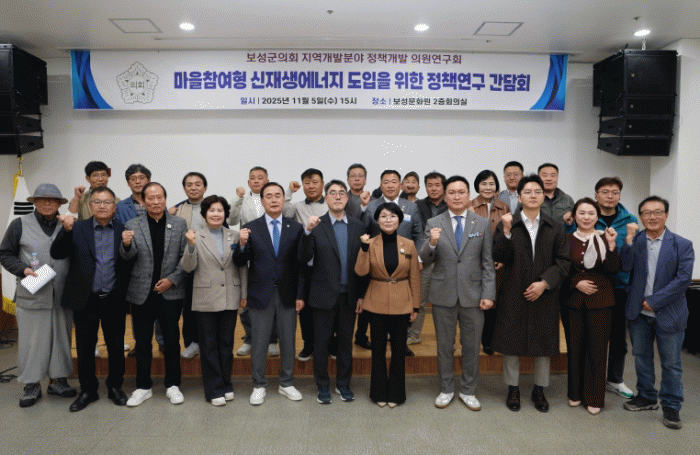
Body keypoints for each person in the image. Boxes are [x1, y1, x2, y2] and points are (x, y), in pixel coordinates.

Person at [492, 174, 571, 413]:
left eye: (537, 191)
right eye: (527, 192)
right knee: (511, 343)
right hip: (513, 291)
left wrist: (544, 283)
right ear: (519, 196)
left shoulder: (554, 226)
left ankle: (539, 390)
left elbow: (564, 261)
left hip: (545, 294)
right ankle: (513, 389)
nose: (533, 195)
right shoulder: (508, 223)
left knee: (543, 343)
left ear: (543, 196)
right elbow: (499, 257)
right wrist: (506, 231)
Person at [419, 176, 496, 411]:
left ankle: (468, 390)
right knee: (444, 346)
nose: (456, 196)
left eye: (461, 192)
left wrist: (488, 293)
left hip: (474, 295)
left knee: (471, 346)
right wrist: (432, 243)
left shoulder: (481, 223)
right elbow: (424, 258)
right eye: (451, 192)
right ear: (445, 196)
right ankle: (446, 388)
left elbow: (487, 262)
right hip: (443, 294)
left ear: (468, 195)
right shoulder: (434, 222)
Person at [50, 186, 129, 412]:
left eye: (107, 202)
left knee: (116, 346)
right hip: (86, 299)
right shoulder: (77, 228)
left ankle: (115, 387)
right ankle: (88, 390)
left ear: (115, 207)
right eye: (97, 202)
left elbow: (130, 262)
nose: (102, 206)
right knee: (85, 348)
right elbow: (57, 253)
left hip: (113, 298)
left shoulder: (124, 230)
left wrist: (128, 245)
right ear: (90, 205)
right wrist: (65, 231)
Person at [621, 196, 694, 430]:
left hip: (670, 313)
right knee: (642, 358)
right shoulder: (635, 241)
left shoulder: (682, 244)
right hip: (639, 314)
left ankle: (671, 406)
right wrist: (628, 240)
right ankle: (646, 396)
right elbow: (625, 266)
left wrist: (654, 301)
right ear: (640, 216)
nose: (652, 217)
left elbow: (683, 279)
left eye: (657, 212)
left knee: (671, 364)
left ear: (666, 215)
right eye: (647, 213)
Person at [0, 184, 76, 407]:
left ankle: (58, 381)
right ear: (34, 202)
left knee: (61, 340)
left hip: (62, 294)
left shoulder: (68, 225)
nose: (47, 203)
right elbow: (5, 254)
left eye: (52, 200)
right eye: (42, 199)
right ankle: (31, 384)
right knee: (32, 343)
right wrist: (22, 269)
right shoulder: (19, 224)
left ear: (60, 203)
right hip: (32, 294)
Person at [234, 182, 305, 406]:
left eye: (278, 195)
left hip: (288, 294)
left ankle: (287, 382)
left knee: (288, 341)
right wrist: (241, 244)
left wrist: (300, 294)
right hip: (259, 293)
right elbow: (240, 261)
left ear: (284, 199)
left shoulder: (296, 228)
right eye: (269, 196)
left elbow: (301, 265)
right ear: (262, 201)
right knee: (259, 342)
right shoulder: (251, 228)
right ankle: (258, 384)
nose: (274, 200)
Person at [120, 182, 188, 407]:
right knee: (142, 342)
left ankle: (173, 384)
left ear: (165, 199)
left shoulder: (179, 224)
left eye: (160, 197)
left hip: (170, 292)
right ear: (143, 201)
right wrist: (126, 245)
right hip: (142, 292)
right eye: (150, 198)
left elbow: (185, 257)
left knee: (171, 341)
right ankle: (143, 386)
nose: (156, 202)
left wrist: (171, 280)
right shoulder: (132, 224)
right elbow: (127, 257)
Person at [299, 180, 367, 404]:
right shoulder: (316, 225)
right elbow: (303, 258)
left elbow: (363, 263)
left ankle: (343, 384)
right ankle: (322, 386)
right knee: (321, 344)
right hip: (322, 296)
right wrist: (307, 232)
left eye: (341, 193)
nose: (337, 197)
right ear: (326, 199)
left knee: (345, 343)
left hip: (349, 296)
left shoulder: (358, 226)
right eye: (332, 193)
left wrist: (361, 295)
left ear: (347, 198)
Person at [180, 195, 247, 406]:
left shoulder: (234, 236)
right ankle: (214, 389)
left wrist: (244, 294)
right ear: (204, 214)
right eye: (211, 210)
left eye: (220, 210)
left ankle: (226, 384)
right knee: (208, 346)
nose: (216, 214)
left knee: (226, 344)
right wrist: (191, 246)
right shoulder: (195, 236)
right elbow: (188, 267)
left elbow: (242, 267)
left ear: (225, 214)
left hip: (230, 296)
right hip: (205, 298)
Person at [355, 202, 420, 407]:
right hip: (376, 302)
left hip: (403, 302)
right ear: (377, 220)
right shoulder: (370, 243)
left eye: (392, 216)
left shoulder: (408, 244)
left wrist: (415, 306)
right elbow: (360, 271)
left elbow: (414, 277)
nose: (388, 220)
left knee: (399, 351)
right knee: (378, 351)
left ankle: (396, 394)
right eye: (383, 216)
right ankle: (378, 393)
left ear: (399, 220)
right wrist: (364, 249)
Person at [562, 198, 620, 415]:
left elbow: (614, 269)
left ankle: (595, 397)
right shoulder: (566, 239)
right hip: (573, 300)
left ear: (597, 216)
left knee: (597, 349)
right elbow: (560, 269)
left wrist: (612, 246)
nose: (586, 217)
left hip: (601, 301)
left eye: (591, 213)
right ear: (574, 216)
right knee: (575, 347)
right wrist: (576, 282)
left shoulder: (606, 238)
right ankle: (575, 393)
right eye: (582, 213)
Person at [358, 170, 424, 356]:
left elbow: (418, 233)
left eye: (394, 181)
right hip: (376, 263)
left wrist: (418, 257)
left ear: (400, 185)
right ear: (380, 185)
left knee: (402, 305)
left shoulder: (410, 206)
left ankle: (401, 342)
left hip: (404, 261)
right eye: (386, 182)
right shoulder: (372, 205)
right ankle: (364, 336)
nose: (390, 185)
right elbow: (363, 230)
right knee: (372, 305)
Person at [592, 177, 638, 399]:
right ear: (596, 195)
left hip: (620, 287)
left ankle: (615, 379)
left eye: (614, 192)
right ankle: (592, 379)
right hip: (593, 287)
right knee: (593, 336)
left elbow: (637, 254)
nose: (610, 196)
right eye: (605, 191)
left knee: (619, 338)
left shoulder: (630, 221)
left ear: (619, 195)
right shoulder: (587, 215)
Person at [230, 166, 279, 358]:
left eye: (260, 178)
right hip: (248, 255)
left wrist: (290, 192)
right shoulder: (243, 201)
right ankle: (250, 339)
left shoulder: (273, 199)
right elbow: (232, 219)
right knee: (246, 300)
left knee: (272, 299)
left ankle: (272, 340)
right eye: (253, 178)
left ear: (267, 181)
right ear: (248, 182)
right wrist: (238, 198)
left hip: (269, 256)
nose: (257, 181)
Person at [283, 168, 328, 361]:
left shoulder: (330, 204)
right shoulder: (297, 207)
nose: (311, 186)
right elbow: (282, 212)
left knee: (328, 307)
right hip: (305, 264)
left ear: (322, 184)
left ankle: (330, 343)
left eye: (315, 182)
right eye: (307, 183)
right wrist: (289, 192)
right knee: (305, 308)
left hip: (327, 264)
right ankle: (308, 344)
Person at [470, 170, 510, 355]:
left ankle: (489, 341)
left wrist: (501, 259)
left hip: (497, 263)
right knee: (474, 304)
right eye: (484, 183)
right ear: (477, 186)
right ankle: (472, 340)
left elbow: (508, 235)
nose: (488, 187)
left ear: (497, 187)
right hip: (473, 263)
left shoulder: (504, 207)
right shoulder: (469, 206)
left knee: (493, 304)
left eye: (491, 184)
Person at [170, 171, 209, 360]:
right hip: (186, 263)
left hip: (209, 264)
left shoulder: (213, 207)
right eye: (189, 184)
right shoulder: (177, 209)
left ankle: (207, 342)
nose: (193, 188)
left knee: (207, 307)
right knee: (188, 307)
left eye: (197, 184)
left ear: (205, 187)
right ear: (184, 188)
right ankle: (192, 342)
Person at [409, 171, 448, 345]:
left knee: (447, 302)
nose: (433, 188)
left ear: (444, 187)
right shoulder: (418, 205)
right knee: (419, 299)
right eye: (429, 185)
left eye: (437, 185)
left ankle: (446, 339)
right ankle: (414, 334)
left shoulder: (451, 204)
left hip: (446, 259)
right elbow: (415, 232)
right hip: (423, 258)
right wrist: (418, 257)